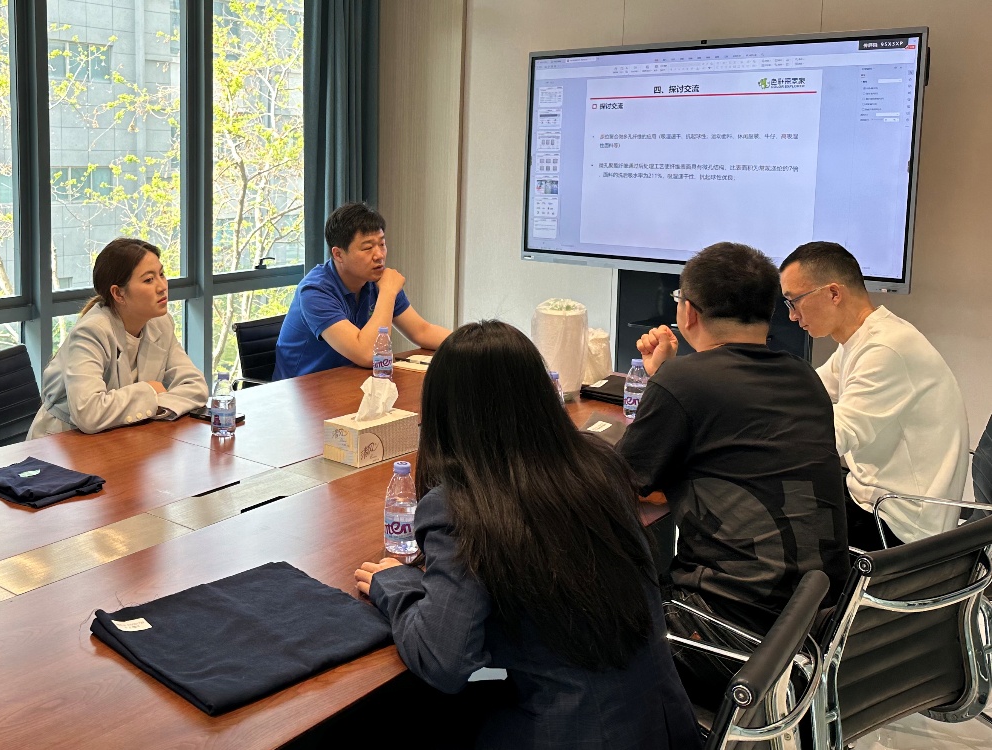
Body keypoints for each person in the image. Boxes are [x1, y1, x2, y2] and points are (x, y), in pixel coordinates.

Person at [353, 321, 700, 749]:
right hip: (666, 728)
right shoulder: (598, 465)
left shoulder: (460, 504)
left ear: (441, 413)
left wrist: (397, 585)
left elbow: (444, 661)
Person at [616, 242, 848, 707]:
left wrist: (664, 380)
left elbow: (618, 485)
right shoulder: (804, 378)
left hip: (724, 636)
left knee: (580, 615)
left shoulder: (684, 382)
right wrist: (668, 377)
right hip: (814, 637)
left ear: (688, 312)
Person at [780, 241, 969, 548]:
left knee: (762, 518)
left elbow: (829, 438)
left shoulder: (885, 349)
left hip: (898, 527)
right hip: (874, 502)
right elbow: (804, 393)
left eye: (794, 301)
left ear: (833, 293)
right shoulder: (863, 340)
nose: (791, 316)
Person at [29, 238, 207, 437]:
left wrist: (154, 403)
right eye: (149, 280)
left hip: (124, 432)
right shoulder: (92, 331)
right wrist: (150, 391)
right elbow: (88, 413)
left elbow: (195, 387)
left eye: (162, 274)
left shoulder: (161, 323)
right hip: (63, 439)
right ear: (118, 293)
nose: (162, 286)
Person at [272, 202, 451, 380]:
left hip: (349, 380)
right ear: (338, 254)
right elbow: (369, 355)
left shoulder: (375, 280)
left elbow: (422, 331)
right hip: (302, 390)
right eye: (367, 248)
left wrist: (465, 345)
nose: (379, 255)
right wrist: (388, 292)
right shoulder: (315, 291)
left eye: (382, 244)